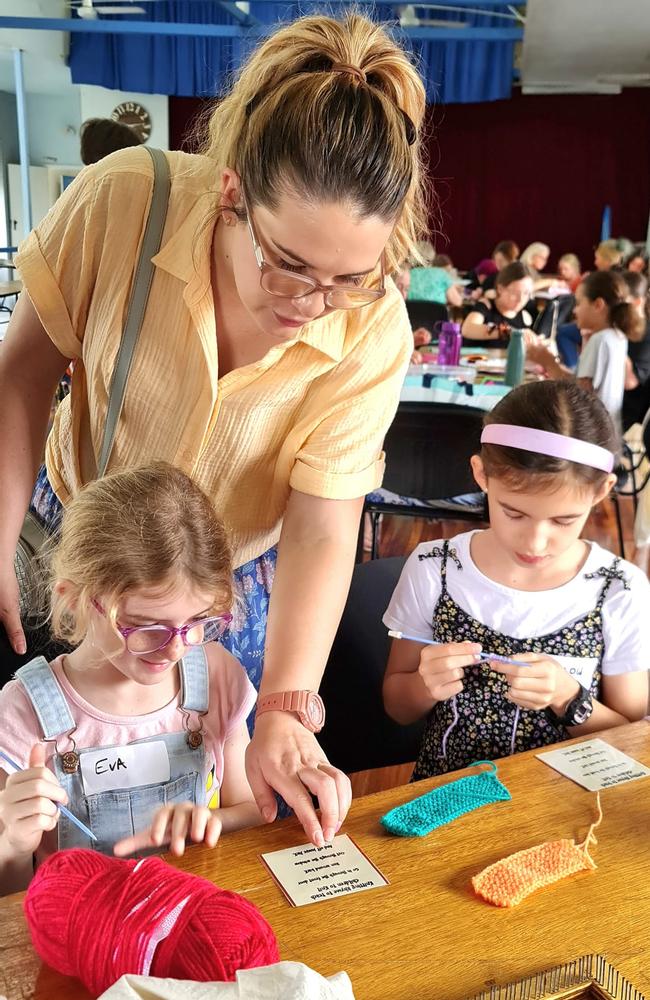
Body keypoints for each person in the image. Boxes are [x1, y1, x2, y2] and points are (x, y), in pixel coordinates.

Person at [0, 12, 427, 847]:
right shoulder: (127, 202)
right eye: (287, 264)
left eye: (349, 280)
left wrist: (284, 706)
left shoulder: (374, 329)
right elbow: (19, 381)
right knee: (48, 760)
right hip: (71, 539)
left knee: (204, 758)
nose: (309, 308)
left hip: (227, 577)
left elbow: (321, 523)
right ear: (231, 192)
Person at [0, 464, 262, 895]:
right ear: (77, 600)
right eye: (146, 627)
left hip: (191, 921)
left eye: (197, 622)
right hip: (82, 942)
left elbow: (253, 813)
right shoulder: (25, 712)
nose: (176, 648)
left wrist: (212, 822)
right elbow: (10, 896)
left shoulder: (214, 678)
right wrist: (14, 842)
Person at [382, 380, 649, 779]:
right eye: (513, 512)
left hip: (568, 807)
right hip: (445, 798)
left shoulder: (619, 589)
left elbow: (631, 736)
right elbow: (397, 705)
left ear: (602, 491)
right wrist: (424, 684)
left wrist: (568, 697)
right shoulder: (434, 568)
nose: (535, 542)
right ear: (481, 474)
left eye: (563, 520)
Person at [527, 270, 644, 432]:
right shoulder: (616, 336)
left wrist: (548, 362)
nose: (574, 311)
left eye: (579, 303)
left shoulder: (600, 340)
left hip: (592, 437)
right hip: (607, 433)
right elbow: (586, 383)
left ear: (598, 305)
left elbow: (579, 393)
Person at [462, 261, 535, 347]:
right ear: (500, 289)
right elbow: (467, 329)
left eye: (526, 293)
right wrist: (507, 331)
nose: (520, 299)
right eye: (515, 293)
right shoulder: (486, 306)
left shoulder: (525, 318)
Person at [622, 271, 650, 430]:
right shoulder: (624, 326)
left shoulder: (646, 335)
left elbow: (630, 383)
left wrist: (617, 343)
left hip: (627, 414)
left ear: (637, 302)